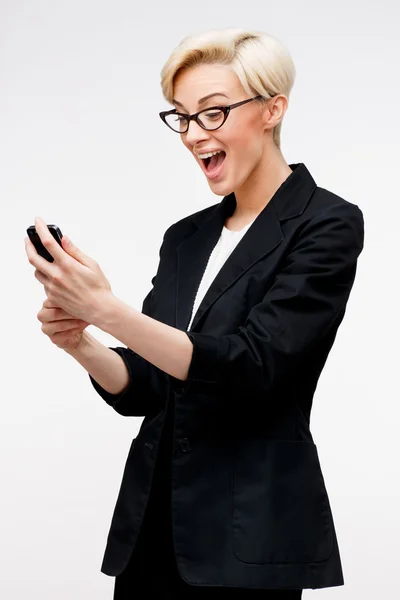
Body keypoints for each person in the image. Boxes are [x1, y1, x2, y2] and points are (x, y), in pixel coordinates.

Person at [25, 28, 364, 598]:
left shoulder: (326, 224)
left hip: (246, 535)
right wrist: (81, 341)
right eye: (181, 117)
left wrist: (108, 310)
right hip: (153, 530)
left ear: (272, 110)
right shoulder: (185, 238)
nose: (191, 135)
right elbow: (150, 388)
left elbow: (253, 366)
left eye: (212, 113)